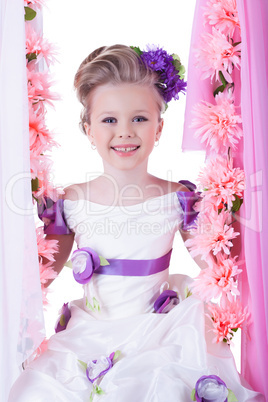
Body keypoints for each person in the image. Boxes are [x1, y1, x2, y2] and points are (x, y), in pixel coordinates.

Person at [9, 44, 263, 402]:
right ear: (88, 129)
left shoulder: (178, 198)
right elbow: (40, 275)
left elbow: (219, 266)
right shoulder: (69, 201)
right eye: (109, 120)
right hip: (90, 335)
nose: (125, 132)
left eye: (139, 119)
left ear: (159, 128)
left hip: (160, 334)